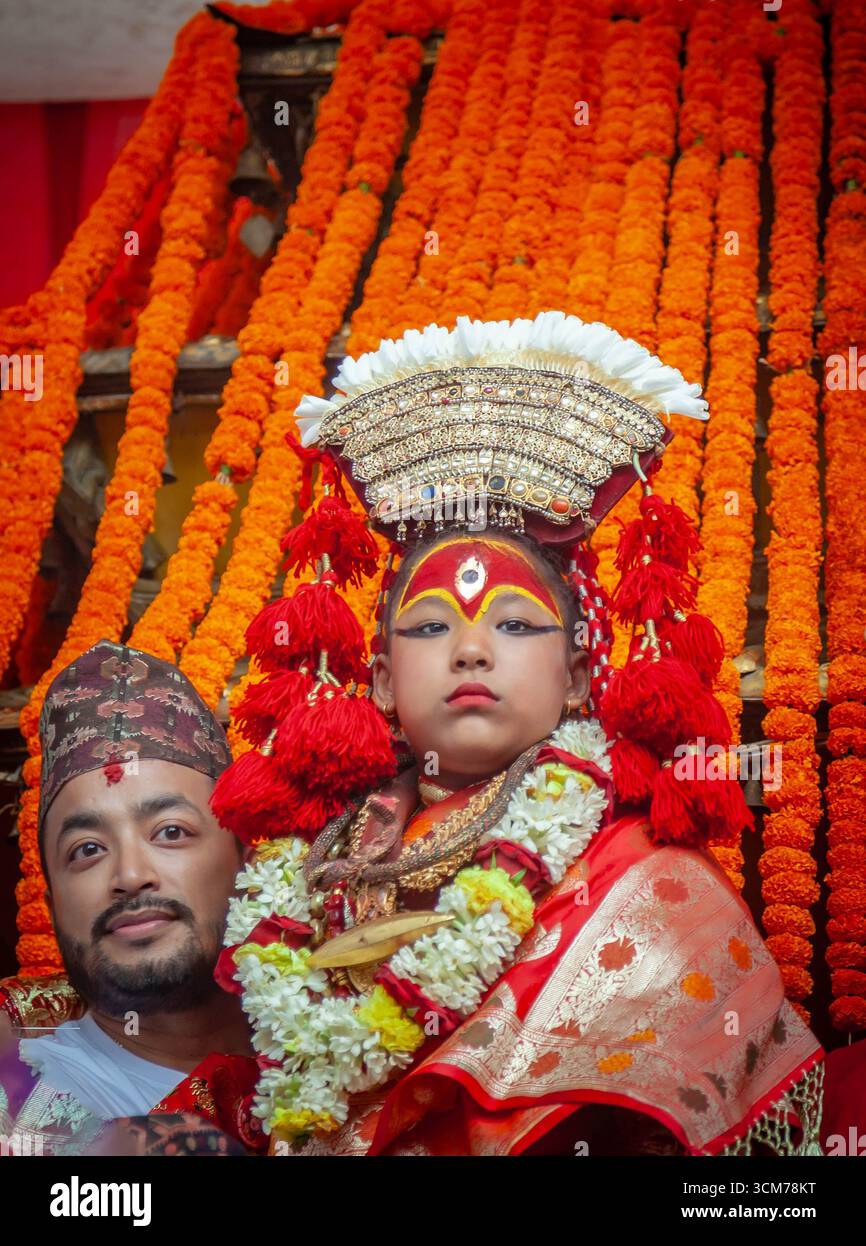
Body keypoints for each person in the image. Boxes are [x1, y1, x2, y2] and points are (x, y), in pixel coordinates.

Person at [207, 310, 825, 1157]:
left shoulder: (644, 875)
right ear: (381, 680)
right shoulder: (313, 863)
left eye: (515, 625)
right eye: (428, 629)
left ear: (577, 673)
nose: (469, 648)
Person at [0, 640, 263, 1155]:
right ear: (53, 906)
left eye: (170, 832)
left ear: (247, 862)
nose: (131, 874)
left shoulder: (359, 1038)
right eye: (88, 849)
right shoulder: (23, 1099)